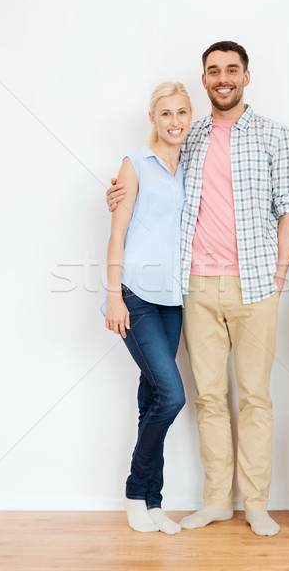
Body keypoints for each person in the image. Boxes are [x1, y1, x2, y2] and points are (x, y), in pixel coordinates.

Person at [107, 41, 289, 537]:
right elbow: (151, 178)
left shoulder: (275, 135)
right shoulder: (187, 138)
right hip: (192, 287)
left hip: (255, 284)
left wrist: (278, 276)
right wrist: (118, 191)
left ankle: (256, 503)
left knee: (255, 397)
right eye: (213, 71)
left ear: (246, 77)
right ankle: (217, 500)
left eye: (231, 70)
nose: (222, 78)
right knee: (209, 399)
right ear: (204, 80)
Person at [102, 81, 193, 534]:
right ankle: (137, 492)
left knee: (152, 398)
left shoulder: (191, 166)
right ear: (153, 118)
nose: (174, 122)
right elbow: (117, 234)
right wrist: (114, 295)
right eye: (166, 114)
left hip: (174, 299)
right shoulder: (135, 163)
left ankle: (153, 503)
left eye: (182, 113)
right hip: (135, 294)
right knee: (172, 395)